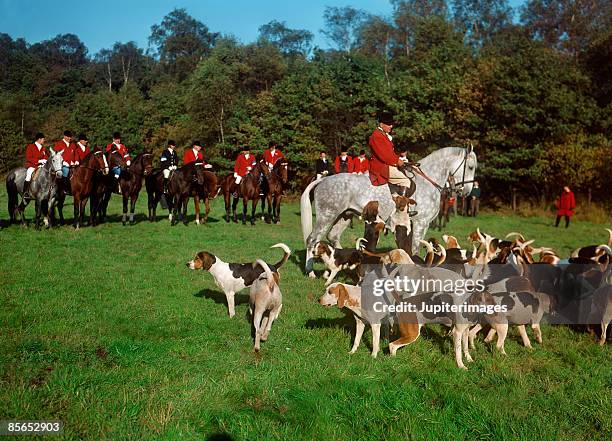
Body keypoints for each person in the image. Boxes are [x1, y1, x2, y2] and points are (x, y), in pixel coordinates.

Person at [368, 111, 415, 208]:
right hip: (381, 167)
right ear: (381, 124)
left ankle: (394, 199)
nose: (391, 126)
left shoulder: (383, 135)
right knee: (406, 181)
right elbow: (384, 156)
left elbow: (390, 154)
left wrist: (402, 161)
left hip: (387, 164)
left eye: (391, 124)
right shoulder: (377, 136)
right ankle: (402, 209)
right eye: (389, 124)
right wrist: (398, 161)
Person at [23, 133, 48, 197]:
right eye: (43, 139)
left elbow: (45, 157)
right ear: (39, 139)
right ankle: (26, 192)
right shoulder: (30, 146)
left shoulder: (43, 148)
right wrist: (39, 161)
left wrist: (45, 160)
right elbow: (29, 158)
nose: (44, 140)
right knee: (29, 174)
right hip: (32, 165)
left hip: (41, 166)